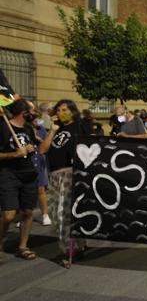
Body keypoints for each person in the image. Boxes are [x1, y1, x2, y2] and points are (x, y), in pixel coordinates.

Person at [0, 99, 57, 260]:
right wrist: (13, 154)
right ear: (23, 112)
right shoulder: (3, 127)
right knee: (9, 215)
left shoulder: (27, 128)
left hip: (29, 174)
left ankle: (23, 246)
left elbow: (40, 150)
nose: (34, 114)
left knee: (28, 212)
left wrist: (33, 148)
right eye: (31, 111)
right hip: (9, 174)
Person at [45, 99, 88, 265]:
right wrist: (52, 130)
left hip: (70, 174)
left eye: (64, 110)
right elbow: (43, 149)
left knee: (66, 213)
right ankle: (79, 244)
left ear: (72, 111)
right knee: (56, 213)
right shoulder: (57, 129)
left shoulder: (79, 126)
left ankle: (71, 249)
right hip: (55, 175)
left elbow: (88, 146)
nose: (60, 113)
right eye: (58, 110)